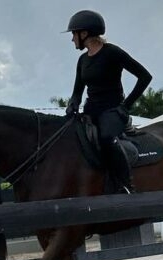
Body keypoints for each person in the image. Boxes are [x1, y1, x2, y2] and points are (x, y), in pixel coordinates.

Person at [64, 10, 152, 193]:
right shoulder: (82, 60)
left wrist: (125, 107)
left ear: (84, 33)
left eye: (74, 33)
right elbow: (77, 92)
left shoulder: (112, 52)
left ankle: (126, 184)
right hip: (91, 110)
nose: (72, 39)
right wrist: (72, 104)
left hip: (113, 111)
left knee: (105, 138)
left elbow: (144, 77)